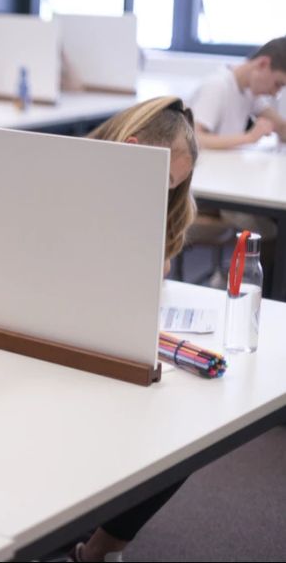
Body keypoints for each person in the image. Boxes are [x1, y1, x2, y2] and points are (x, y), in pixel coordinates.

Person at [67, 96, 198, 562]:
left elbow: (148, 274)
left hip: (107, 342)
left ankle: (101, 548)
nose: (166, 194)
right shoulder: (63, 181)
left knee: (190, 433)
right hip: (59, 346)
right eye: (165, 181)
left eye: (174, 187)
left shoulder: (145, 203)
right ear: (134, 147)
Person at [187, 36, 286, 291]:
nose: (276, 92)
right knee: (271, 230)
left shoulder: (248, 91)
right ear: (263, 64)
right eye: (277, 84)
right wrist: (250, 137)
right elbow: (196, 138)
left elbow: (280, 125)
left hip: (227, 181)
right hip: (206, 192)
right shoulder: (218, 86)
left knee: (272, 222)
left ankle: (241, 282)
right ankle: (242, 286)